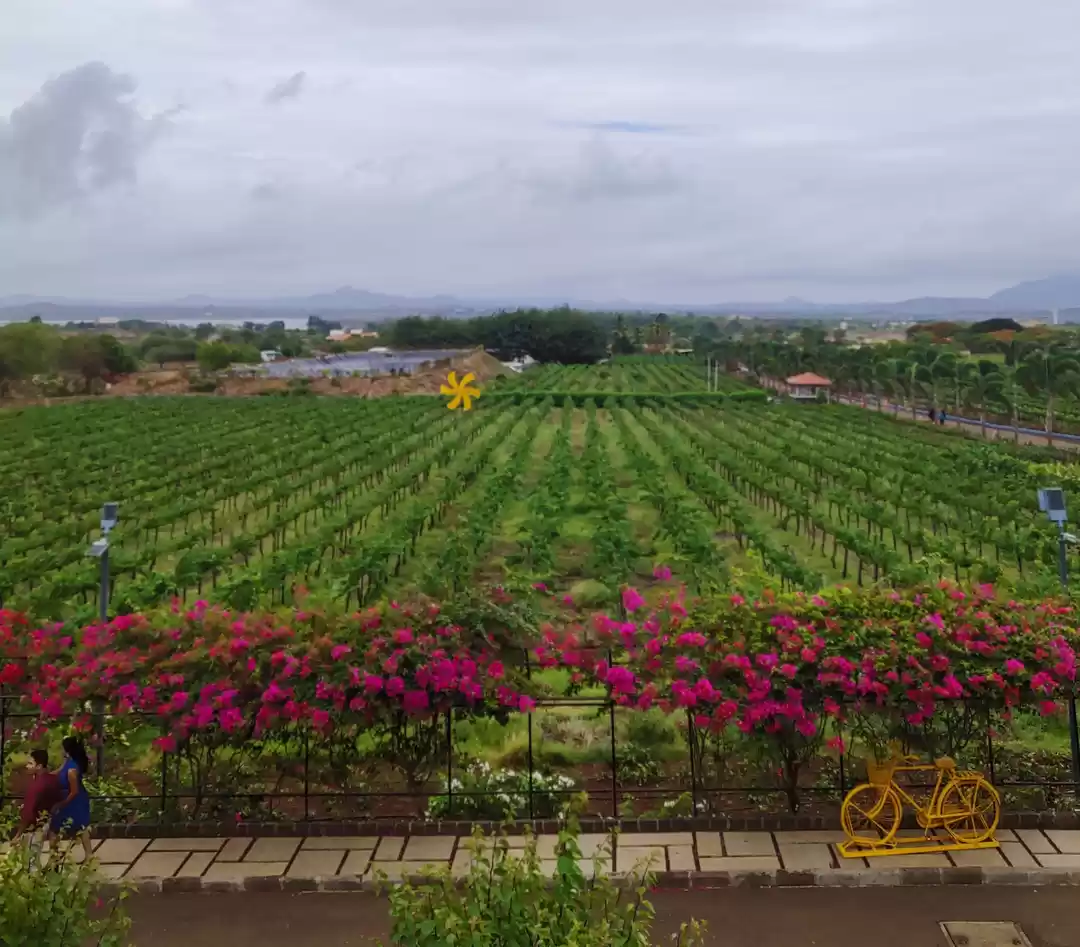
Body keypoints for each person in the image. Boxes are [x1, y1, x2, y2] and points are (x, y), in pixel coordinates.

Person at [12, 749, 64, 864]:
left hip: (35, 826)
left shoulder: (36, 786)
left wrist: (18, 834)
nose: (27, 766)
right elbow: (59, 800)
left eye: (30, 763)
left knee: (32, 861)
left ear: (39, 766)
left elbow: (28, 814)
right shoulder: (53, 780)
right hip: (50, 823)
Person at [47, 736, 93, 862]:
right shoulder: (67, 762)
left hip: (74, 801)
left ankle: (88, 856)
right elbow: (58, 771)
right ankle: (54, 856)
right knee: (56, 828)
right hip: (68, 799)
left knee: (79, 827)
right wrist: (45, 776)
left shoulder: (72, 770)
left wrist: (61, 804)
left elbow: (74, 791)